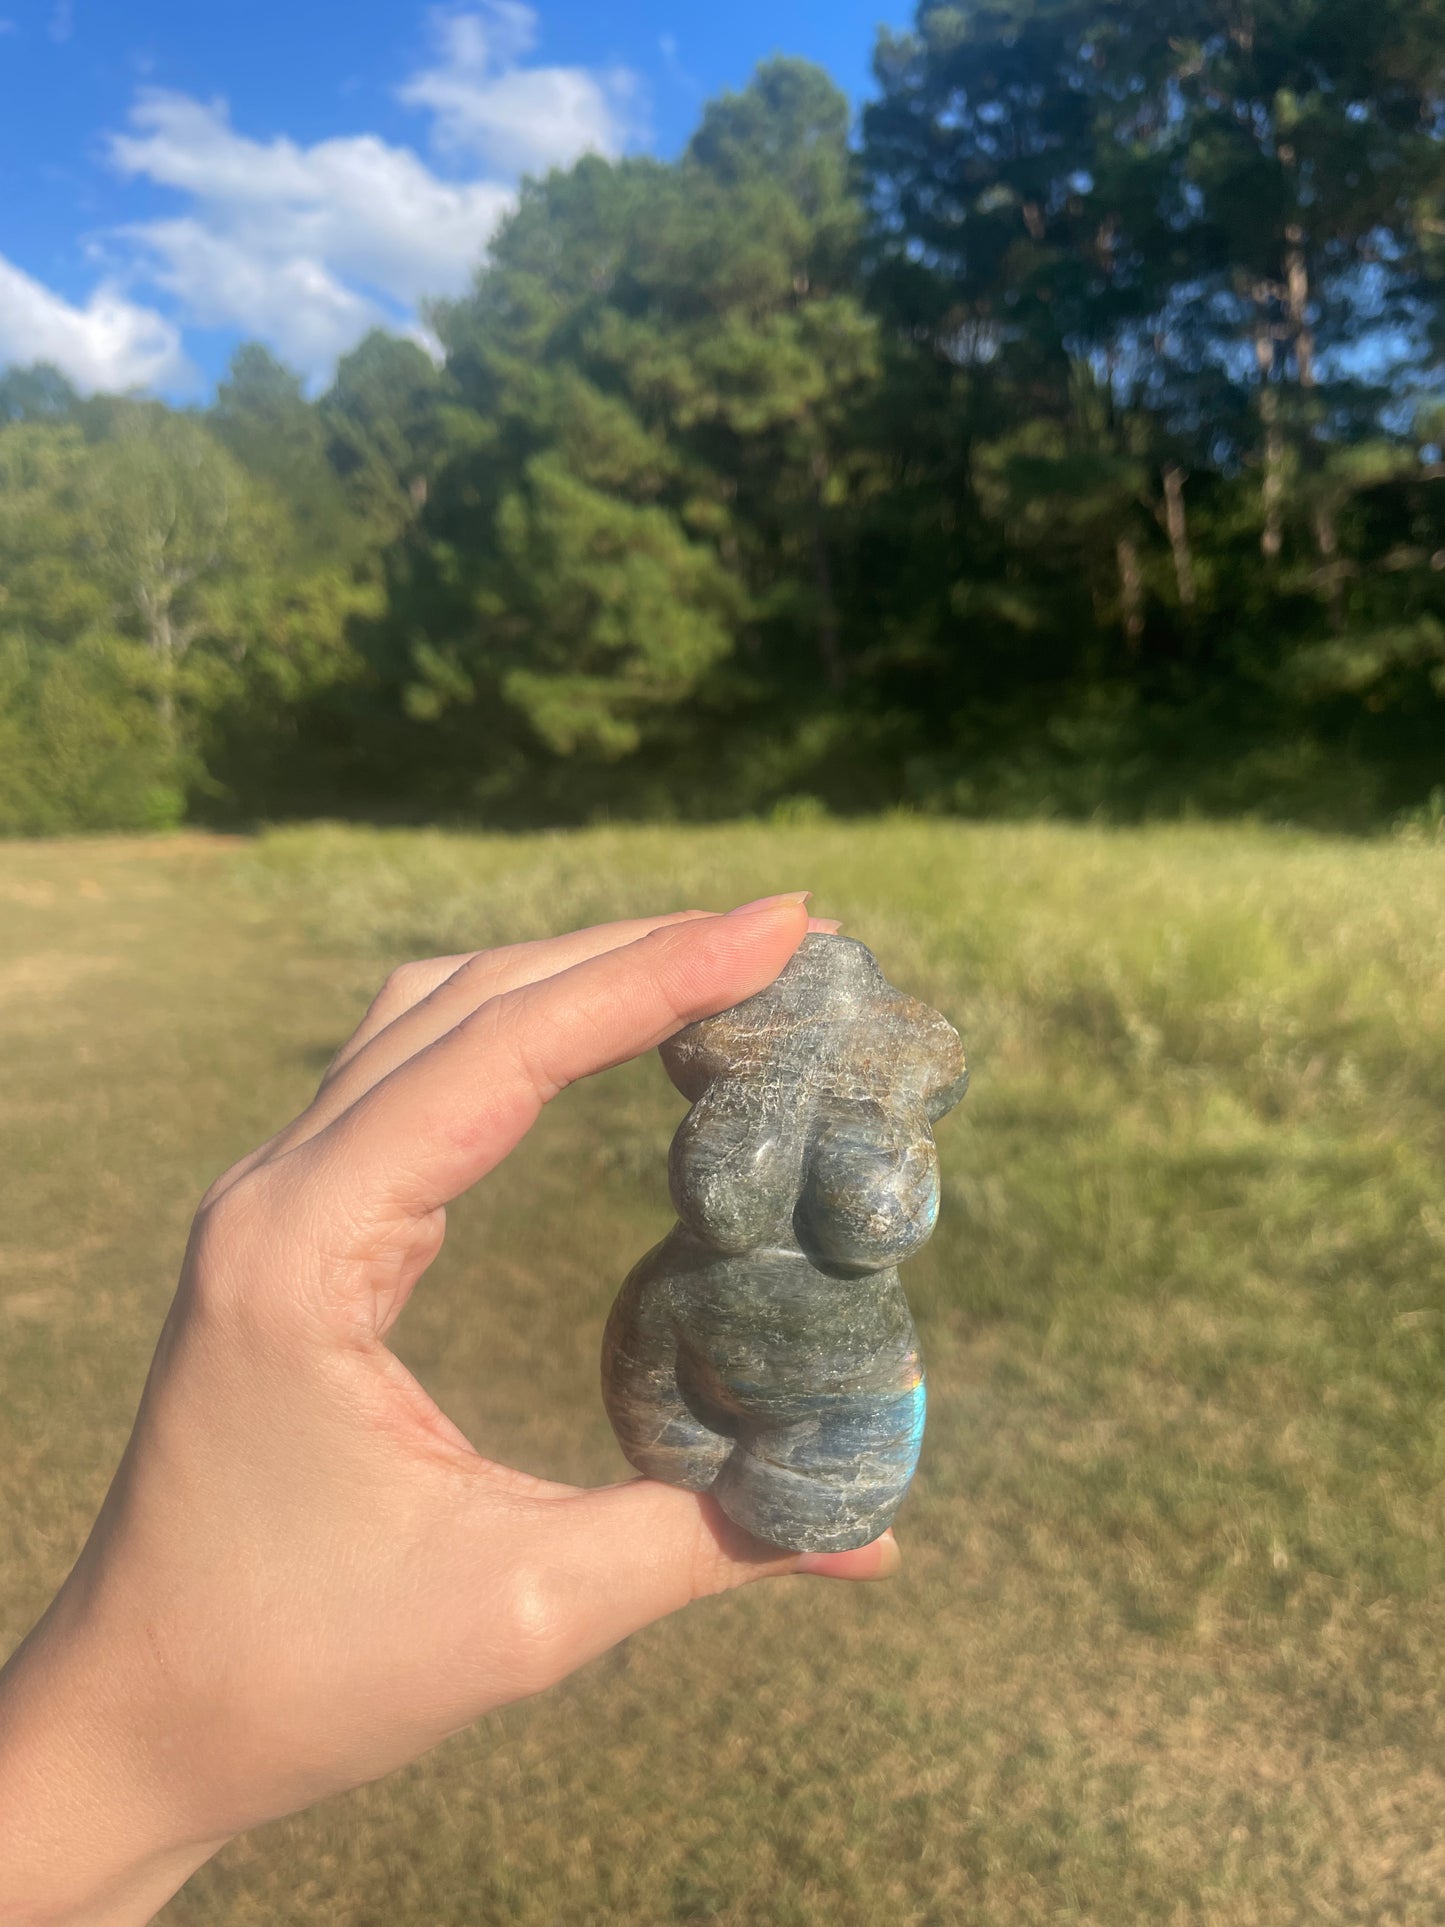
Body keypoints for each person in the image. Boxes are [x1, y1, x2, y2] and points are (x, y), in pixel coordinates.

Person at [0, 894, 899, 1925]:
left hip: (782, 1351)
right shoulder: (765, 1104)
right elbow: (734, 1196)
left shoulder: (874, 1097)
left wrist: (109, 1782)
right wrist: (118, 1767)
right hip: (684, 1333)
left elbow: (861, 1211)